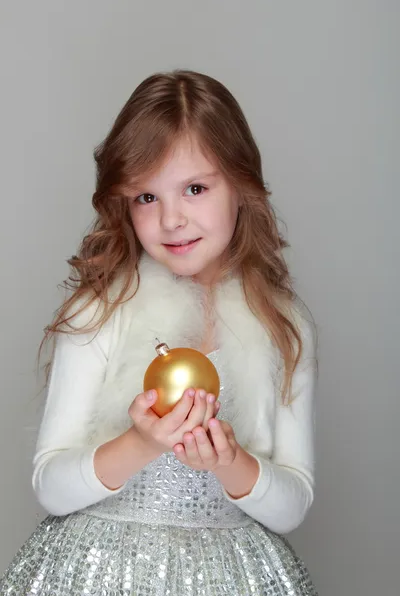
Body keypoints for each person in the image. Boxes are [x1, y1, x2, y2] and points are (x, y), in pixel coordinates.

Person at [0, 70, 318, 595]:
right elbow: (50, 488)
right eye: (146, 197)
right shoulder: (100, 310)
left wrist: (230, 463)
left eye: (195, 188)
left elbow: (293, 505)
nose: (172, 219)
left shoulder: (282, 325)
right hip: (97, 573)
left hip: (226, 576)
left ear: (240, 187)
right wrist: (139, 444)